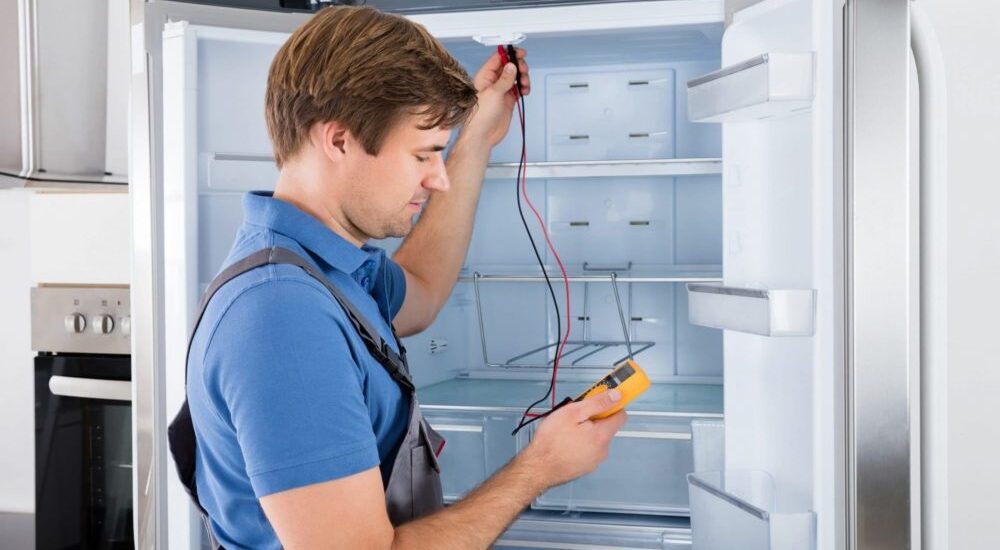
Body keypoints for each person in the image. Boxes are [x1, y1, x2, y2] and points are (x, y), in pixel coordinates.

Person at [177, 6, 627, 549]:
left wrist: (476, 137)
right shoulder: (281, 318)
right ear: (339, 140)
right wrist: (539, 467)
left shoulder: (327, 265)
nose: (437, 179)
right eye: (422, 154)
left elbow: (423, 287)